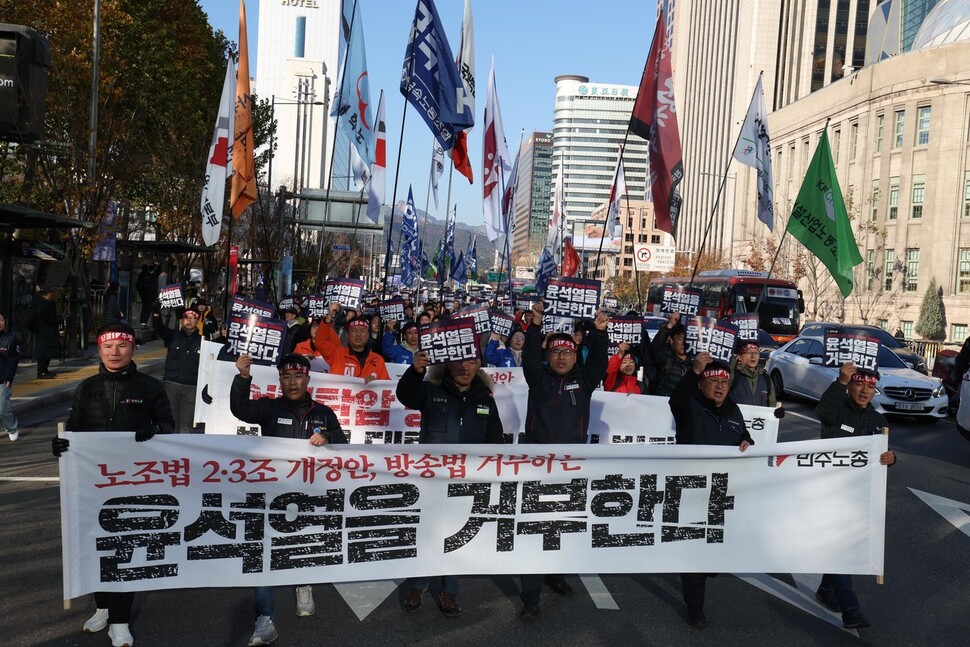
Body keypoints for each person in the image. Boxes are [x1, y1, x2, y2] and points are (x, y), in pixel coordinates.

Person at [52, 322, 174, 647]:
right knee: (96, 547)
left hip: (133, 484)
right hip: (93, 484)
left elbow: (167, 425)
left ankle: (120, 621)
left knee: (124, 549)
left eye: (122, 345)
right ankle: (103, 607)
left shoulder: (150, 387)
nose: (115, 352)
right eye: (108, 346)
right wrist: (61, 444)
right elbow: (75, 427)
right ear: (100, 350)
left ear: (133, 348)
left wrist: (154, 430)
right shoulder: (87, 387)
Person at [230, 353, 347, 646]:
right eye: (286, 377)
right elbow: (239, 409)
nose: (292, 382)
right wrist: (243, 378)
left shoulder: (323, 412)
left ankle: (303, 584)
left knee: (302, 544)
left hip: (309, 494)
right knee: (264, 555)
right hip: (271, 493)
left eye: (298, 377)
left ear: (307, 379)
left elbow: (343, 442)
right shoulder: (268, 408)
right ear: (279, 380)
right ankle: (264, 618)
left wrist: (329, 438)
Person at [518, 300, 609, 621]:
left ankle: (555, 574)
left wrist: (599, 333)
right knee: (533, 529)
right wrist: (535, 324)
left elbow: (600, 361)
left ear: (575, 356)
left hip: (570, 470)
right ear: (548, 356)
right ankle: (530, 597)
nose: (560, 357)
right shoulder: (537, 379)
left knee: (560, 528)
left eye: (567, 352)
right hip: (534, 469)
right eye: (555, 352)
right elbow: (529, 354)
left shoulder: (584, 382)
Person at [396, 350, 504, 617]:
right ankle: (417, 584)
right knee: (426, 533)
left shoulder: (486, 400)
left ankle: (450, 591)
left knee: (455, 537)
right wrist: (416, 371)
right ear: (448, 362)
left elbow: (495, 441)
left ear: (479, 364)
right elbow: (406, 396)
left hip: (466, 482)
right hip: (431, 479)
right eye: (460, 361)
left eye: (472, 361)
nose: (465, 368)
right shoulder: (431, 390)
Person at [668, 352, 753, 629]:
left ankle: (701, 576)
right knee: (694, 551)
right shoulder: (690, 406)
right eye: (713, 381)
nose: (719, 387)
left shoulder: (732, 410)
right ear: (702, 385)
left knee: (713, 551)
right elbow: (676, 400)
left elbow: (743, 433)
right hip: (691, 492)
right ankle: (695, 607)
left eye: (724, 383)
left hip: (721, 493)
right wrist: (694, 371)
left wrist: (746, 439)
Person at [814, 362, 896, 630]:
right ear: (850, 386)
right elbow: (822, 411)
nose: (864, 391)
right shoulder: (836, 410)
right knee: (842, 551)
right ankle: (851, 609)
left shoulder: (878, 421)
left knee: (842, 548)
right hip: (830, 493)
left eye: (870, 387)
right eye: (859, 384)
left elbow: (884, 453)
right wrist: (839, 381)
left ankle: (827, 588)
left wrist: (892, 458)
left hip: (859, 498)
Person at [152, 303, 203, 432]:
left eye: (193, 318)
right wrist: (156, 313)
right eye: (186, 317)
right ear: (182, 320)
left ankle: (185, 451)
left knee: (187, 423)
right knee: (171, 421)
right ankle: (171, 452)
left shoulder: (203, 341)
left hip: (192, 386)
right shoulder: (173, 336)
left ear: (198, 321)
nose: (189, 320)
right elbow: (159, 328)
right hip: (171, 384)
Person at [315, 302, 389, 381]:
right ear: (347, 335)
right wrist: (329, 316)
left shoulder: (378, 360)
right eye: (354, 330)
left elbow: (387, 386)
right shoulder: (337, 354)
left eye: (362, 331)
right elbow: (320, 342)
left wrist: (376, 383)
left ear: (368, 335)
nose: (358, 334)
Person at [730, 341, 785, 418]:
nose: (753, 356)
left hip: (757, 426)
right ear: (740, 357)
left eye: (756, 353)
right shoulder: (732, 375)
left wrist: (777, 413)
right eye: (748, 353)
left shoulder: (766, 378)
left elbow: (772, 405)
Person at [649, 312, 692, 396]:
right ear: (671, 341)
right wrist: (670, 324)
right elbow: (656, 347)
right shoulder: (665, 359)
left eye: (687, 340)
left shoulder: (695, 364)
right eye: (680, 339)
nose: (683, 343)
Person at [33, 286, 61, 379]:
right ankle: (42, 371)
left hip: (44, 331)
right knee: (44, 352)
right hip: (45, 331)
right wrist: (59, 319)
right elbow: (50, 319)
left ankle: (44, 370)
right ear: (49, 294)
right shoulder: (43, 306)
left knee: (46, 351)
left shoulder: (42, 304)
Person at [0, 313, 20, 441]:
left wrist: (9, 377)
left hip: (3, 379)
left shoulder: (10, 339)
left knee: (3, 408)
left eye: (1, 319)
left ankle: (12, 427)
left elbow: (13, 360)